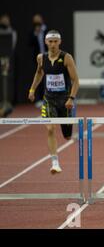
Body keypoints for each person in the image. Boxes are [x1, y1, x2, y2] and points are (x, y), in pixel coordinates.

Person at [28, 30, 79, 174]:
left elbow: (76, 81)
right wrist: (32, 90)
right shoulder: (41, 58)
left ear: (59, 42)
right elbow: (39, 73)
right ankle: (55, 163)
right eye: (50, 41)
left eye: (55, 41)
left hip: (65, 100)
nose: (53, 44)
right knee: (50, 128)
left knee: (67, 135)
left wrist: (71, 99)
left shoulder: (66, 58)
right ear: (46, 42)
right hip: (49, 99)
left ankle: (68, 132)